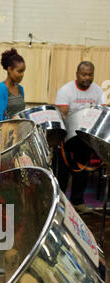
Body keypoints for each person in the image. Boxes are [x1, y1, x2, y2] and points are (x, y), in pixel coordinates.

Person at [55, 61, 105, 214]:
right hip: (66, 137)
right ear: (77, 74)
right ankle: (59, 203)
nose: (87, 78)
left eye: (90, 74)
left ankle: (77, 201)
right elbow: (63, 114)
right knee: (62, 173)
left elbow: (100, 113)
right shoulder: (66, 90)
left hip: (85, 138)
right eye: (84, 74)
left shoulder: (98, 92)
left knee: (82, 171)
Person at [0, 48, 26, 123]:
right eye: (19, 71)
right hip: (3, 131)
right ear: (9, 69)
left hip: (18, 131)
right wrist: (13, 119)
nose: (22, 75)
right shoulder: (0, 89)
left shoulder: (20, 89)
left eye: (23, 71)